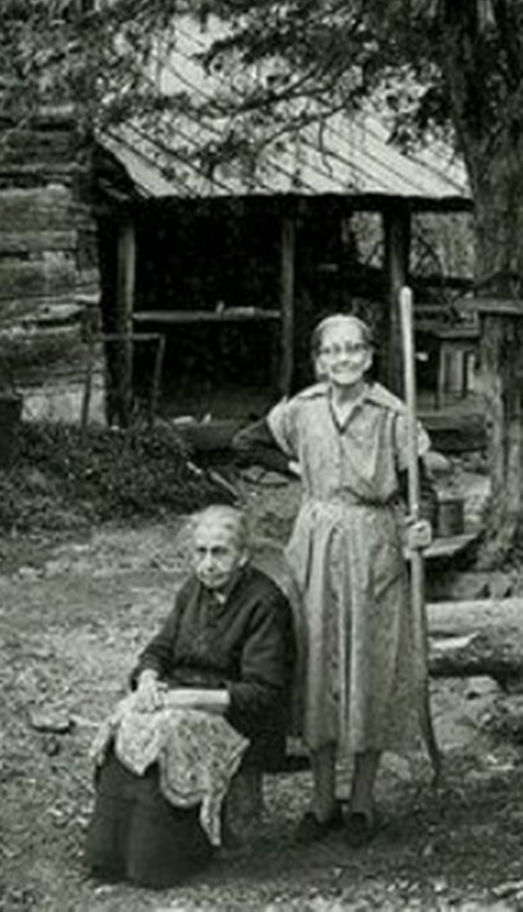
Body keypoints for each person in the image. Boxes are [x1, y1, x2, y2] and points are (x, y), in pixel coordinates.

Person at [231, 312, 434, 849]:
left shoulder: (393, 414)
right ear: (320, 360)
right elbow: (244, 444)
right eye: (331, 351)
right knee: (317, 663)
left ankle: (363, 801)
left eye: (353, 350)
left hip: (375, 544)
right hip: (316, 542)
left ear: (369, 356)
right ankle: (322, 802)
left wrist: (422, 523)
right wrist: (295, 467)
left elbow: (422, 487)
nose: (342, 359)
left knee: (371, 663)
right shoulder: (303, 410)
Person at [85, 504, 295, 890]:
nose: (208, 564)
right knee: (129, 718)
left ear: (243, 556)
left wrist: (182, 700)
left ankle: (160, 860)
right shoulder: (193, 589)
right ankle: (110, 854)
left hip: (238, 716)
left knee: (167, 729)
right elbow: (160, 648)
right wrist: (148, 680)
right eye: (201, 552)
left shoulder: (264, 602)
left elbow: (261, 693)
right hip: (181, 697)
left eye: (220, 552)